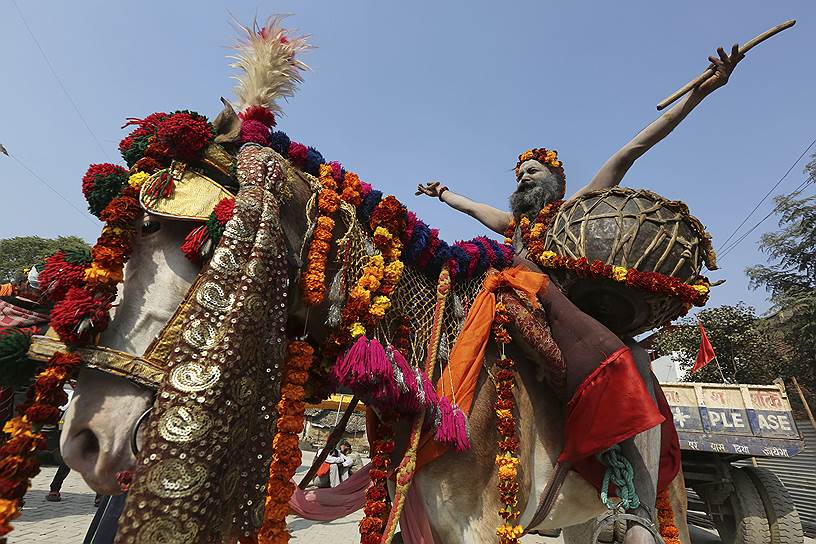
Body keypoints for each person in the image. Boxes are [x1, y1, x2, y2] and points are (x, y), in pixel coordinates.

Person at [416, 45, 742, 530]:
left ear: (557, 179)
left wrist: (701, 91)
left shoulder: (576, 208)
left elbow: (632, 149)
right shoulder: (515, 225)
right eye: (520, 173)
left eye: (534, 170)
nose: (524, 176)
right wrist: (443, 194)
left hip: (562, 313)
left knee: (616, 357)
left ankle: (635, 503)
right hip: (504, 305)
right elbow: (473, 210)